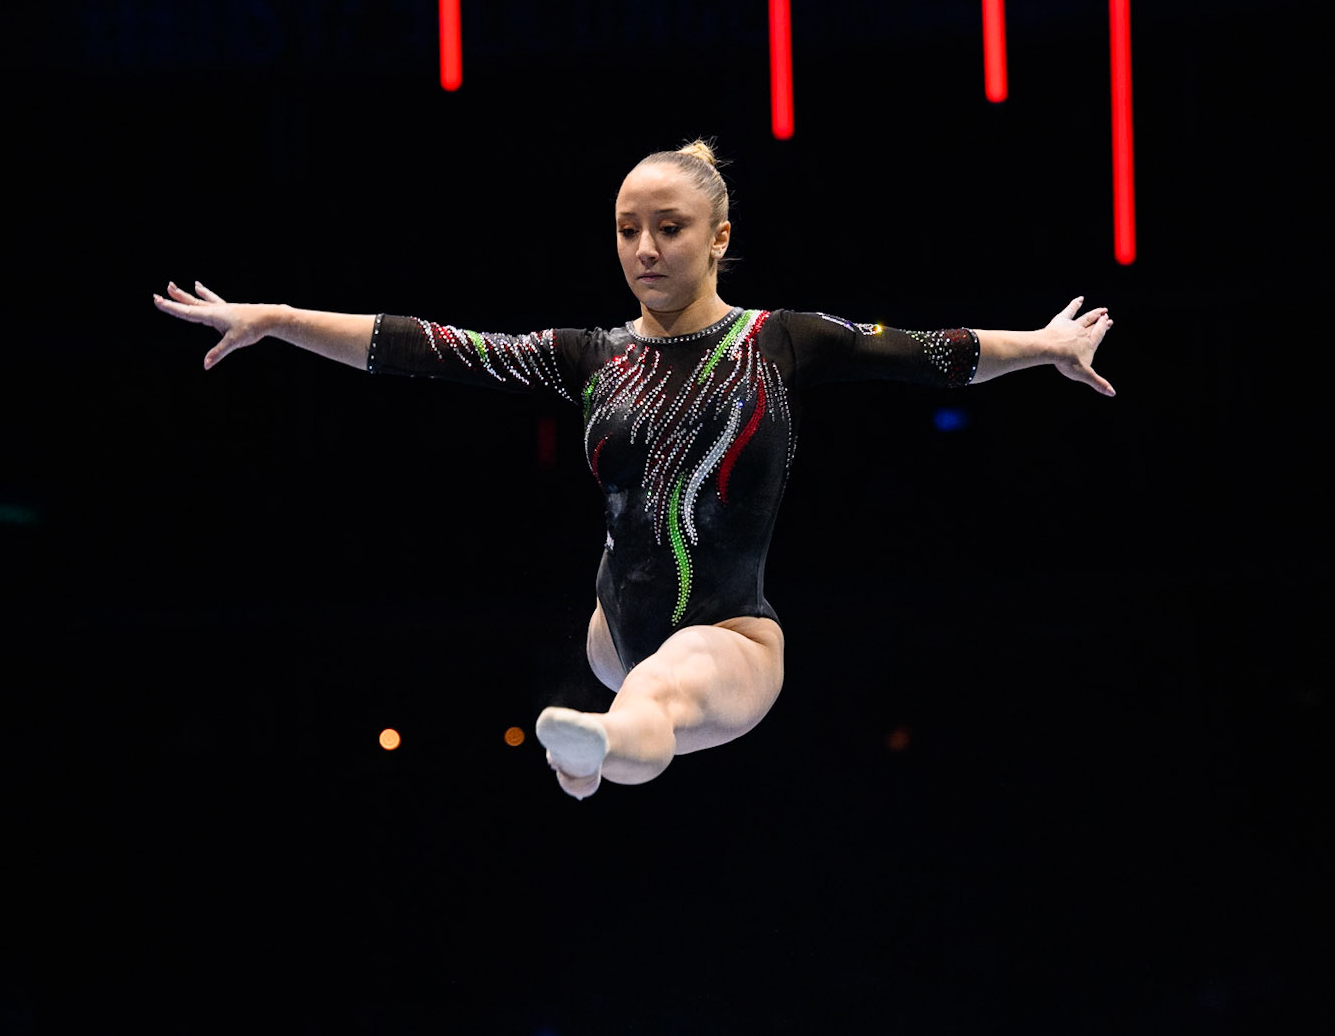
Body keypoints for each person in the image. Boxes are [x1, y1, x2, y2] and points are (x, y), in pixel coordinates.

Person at [153, 138, 1114, 799]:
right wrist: (277, 320)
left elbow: (934, 352)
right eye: (625, 229)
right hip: (613, 631)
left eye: (669, 227)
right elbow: (425, 346)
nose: (644, 249)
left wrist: (1044, 345)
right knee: (639, 686)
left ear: (719, 236)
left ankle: (594, 750)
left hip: (729, 640)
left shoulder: (778, 341)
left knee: (657, 695)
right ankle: (593, 752)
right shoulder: (590, 355)